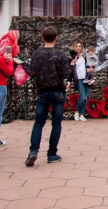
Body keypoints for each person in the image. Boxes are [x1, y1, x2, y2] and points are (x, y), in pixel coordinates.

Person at [24, 26, 71, 166]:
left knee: (39, 123)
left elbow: (31, 72)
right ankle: (52, 153)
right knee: (56, 123)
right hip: (58, 92)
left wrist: (22, 65)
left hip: (42, 92)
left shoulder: (37, 54)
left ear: (42, 38)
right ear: (56, 38)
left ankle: (33, 151)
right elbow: (65, 74)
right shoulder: (60, 54)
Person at [71, 41, 89, 121]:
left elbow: (86, 66)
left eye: (79, 46)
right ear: (74, 47)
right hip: (79, 79)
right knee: (82, 97)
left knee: (86, 97)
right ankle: (77, 111)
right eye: (77, 46)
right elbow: (70, 69)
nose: (78, 48)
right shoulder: (73, 57)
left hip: (85, 78)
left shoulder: (83, 56)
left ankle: (82, 114)